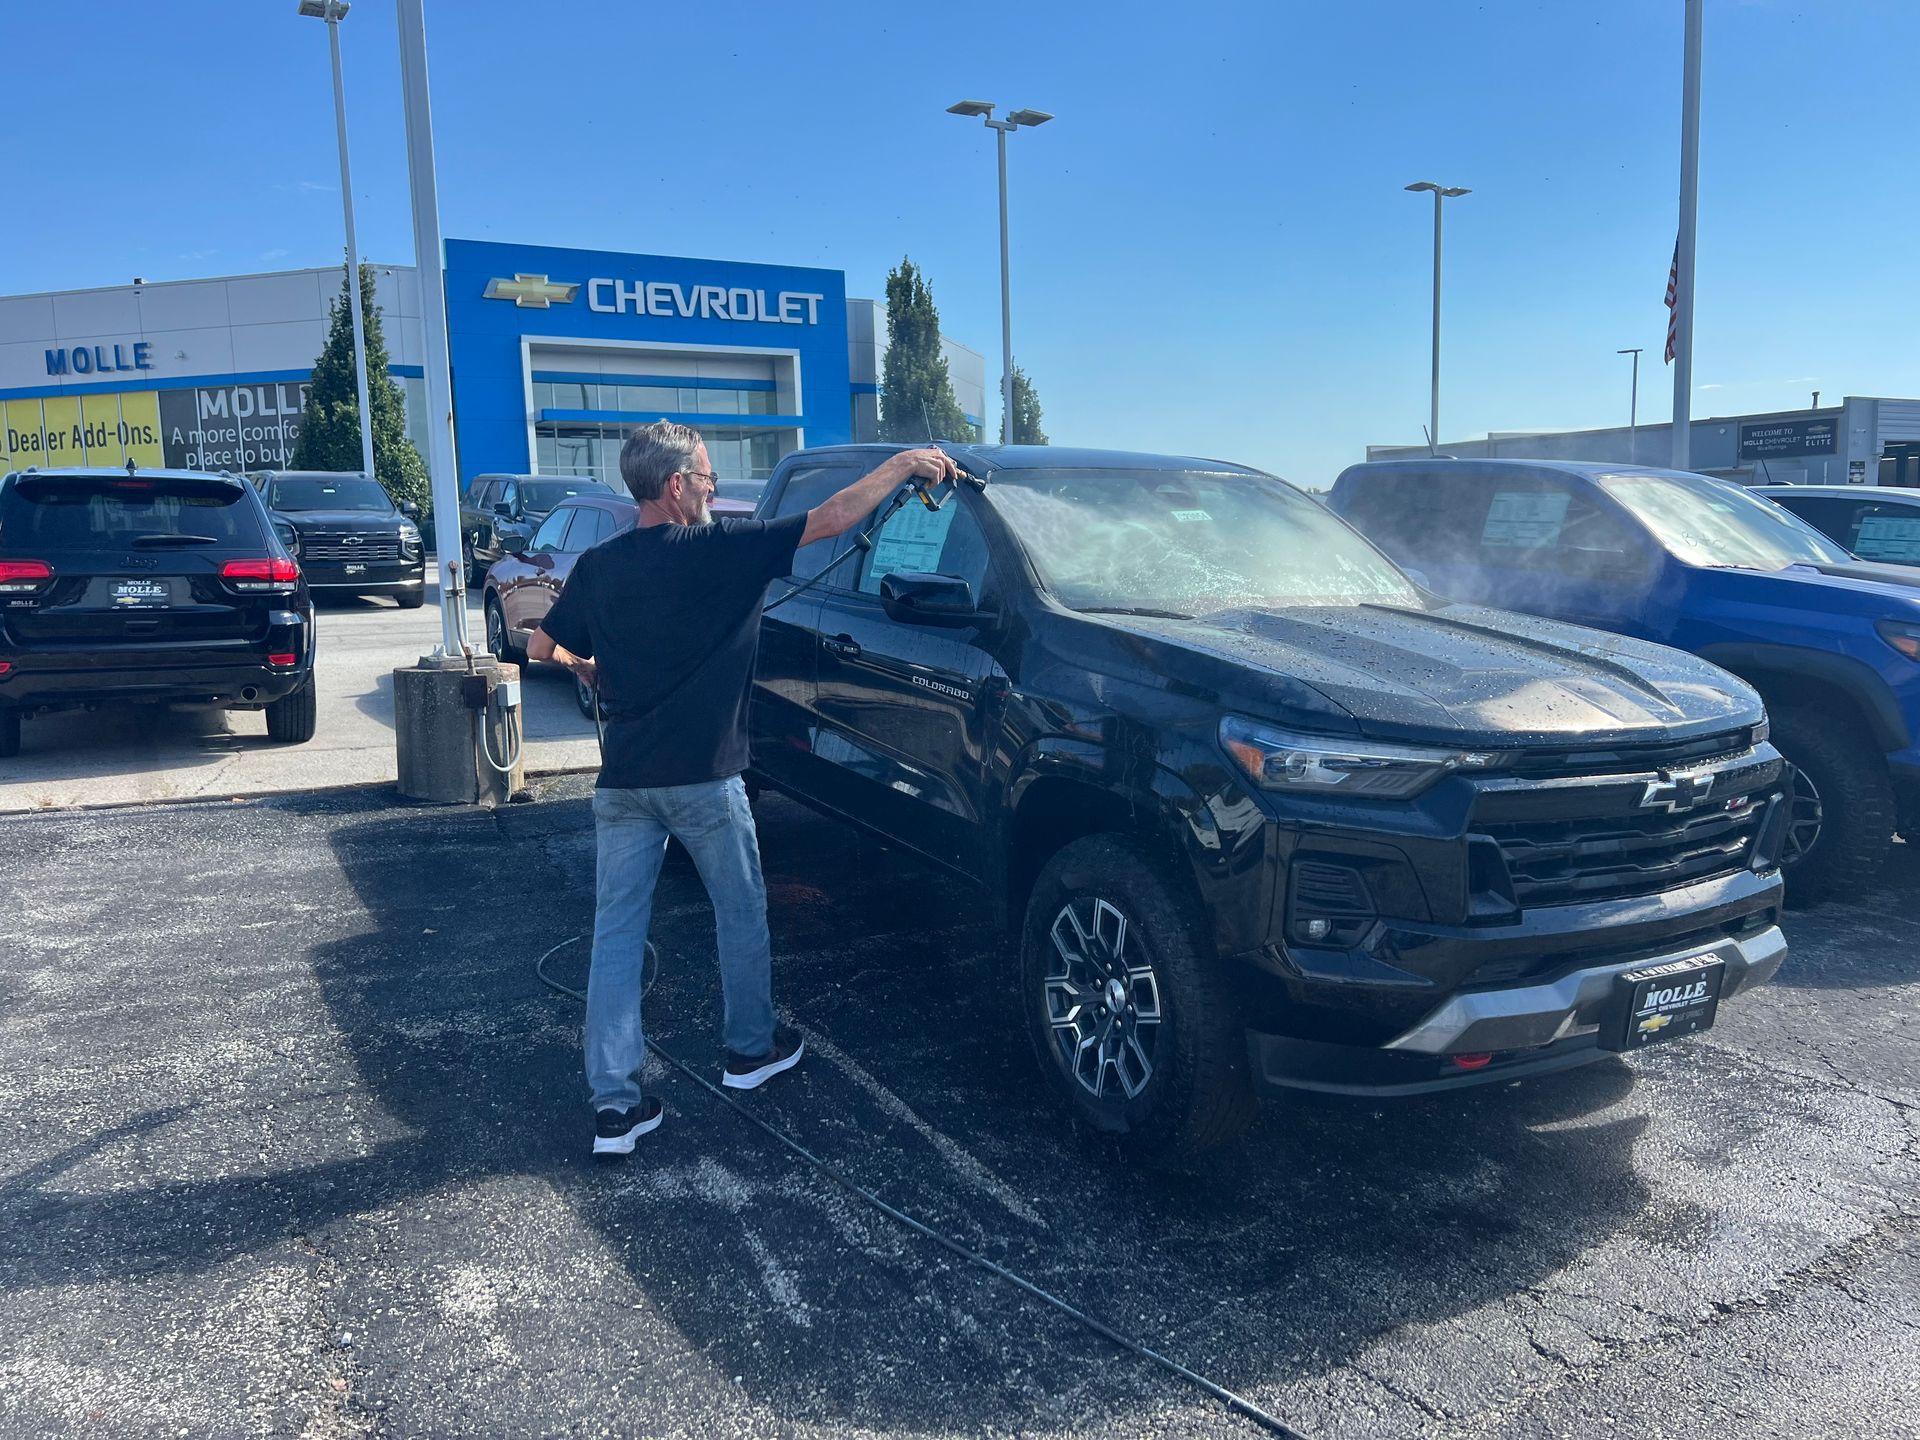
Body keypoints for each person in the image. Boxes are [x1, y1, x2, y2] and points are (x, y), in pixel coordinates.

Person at [530, 421, 959, 1161]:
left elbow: (540, 645)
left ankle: (614, 1108)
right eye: (704, 479)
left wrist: (587, 667)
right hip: (704, 781)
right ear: (674, 488)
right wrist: (902, 464)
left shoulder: (598, 567)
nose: (713, 490)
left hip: (625, 784)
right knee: (740, 910)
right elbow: (831, 519)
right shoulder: (722, 551)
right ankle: (750, 1052)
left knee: (616, 940)